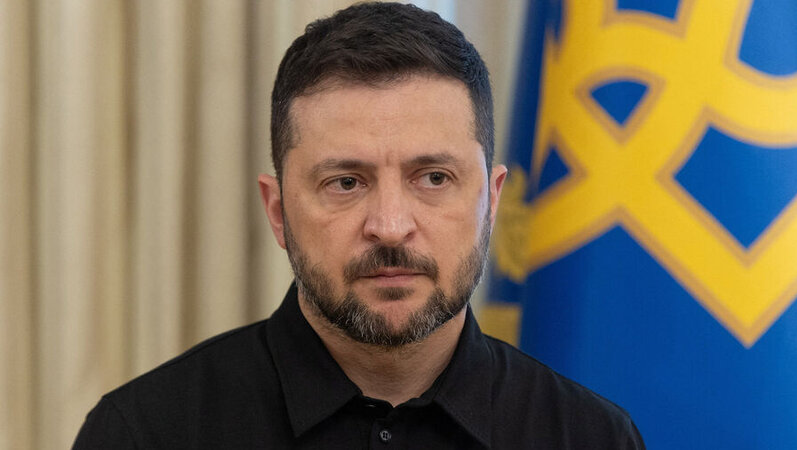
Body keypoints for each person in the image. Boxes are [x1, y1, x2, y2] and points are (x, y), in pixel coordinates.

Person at [74, 3, 645, 448]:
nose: (391, 227)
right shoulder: (144, 433)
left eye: (434, 178)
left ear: (491, 201)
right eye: (345, 182)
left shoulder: (591, 437)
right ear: (278, 211)